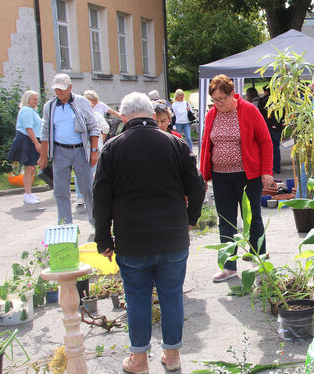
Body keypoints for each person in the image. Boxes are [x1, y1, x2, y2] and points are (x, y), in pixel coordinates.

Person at [93, 92, 205, 374]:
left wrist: (103, 239)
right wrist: (191, 218)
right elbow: (197, 185)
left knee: (137, 298)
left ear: (124, 116)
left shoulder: (112, 148)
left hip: (133, 240)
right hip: (172, 236)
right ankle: (172, 355)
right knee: (171, 295)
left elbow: (101, 198)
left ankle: (139, 360)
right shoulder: (175, 144)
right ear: (150, 114)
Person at [199, 74, 275, 282]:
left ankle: (257, 258)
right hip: (220, 176)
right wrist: (204, 174)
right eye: (214, 100)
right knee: (226, 221)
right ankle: (228, 266)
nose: (217, 104)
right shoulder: (211, 115)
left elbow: (265, 141)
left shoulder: (249, 110)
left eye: (221, 99)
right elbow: (207, 144)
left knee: (252, 218)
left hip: (247, 175)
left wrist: (266, 171)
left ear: (232, 94)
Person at [38, 73, 99, 225]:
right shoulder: (49, 106)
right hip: (59, 151)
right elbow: (45, 132)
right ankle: (65, 225)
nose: (59, 93)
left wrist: (94, 152)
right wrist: (43, 156)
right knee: (60, 191)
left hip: (80, 150)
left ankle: (96, 223)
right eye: (57, 90)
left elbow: (93, 127)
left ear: (70, 87)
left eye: (62, 89)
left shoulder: (82, 102)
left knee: (88, 189)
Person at [7, 90, 42, 204]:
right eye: (34, 99)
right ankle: (27, 194)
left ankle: (29, 193)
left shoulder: (32, 111)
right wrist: (36, 143)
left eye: (37, 99)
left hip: (31, 139)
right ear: (28, 100)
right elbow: (28, 128)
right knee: (29, 168)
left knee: (32, 168)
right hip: (27, 140)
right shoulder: (26, 110)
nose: (36, 101)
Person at [258, 85, 283, 174]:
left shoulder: (262, 101)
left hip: (266, 127)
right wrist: (277, 124)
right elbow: (282, 114)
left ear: (265, 91)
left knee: (266, 149)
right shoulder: (279, 100)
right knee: (276, 148)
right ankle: (277, 167)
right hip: (277, 128)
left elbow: (260, 115)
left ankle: (269, 168)